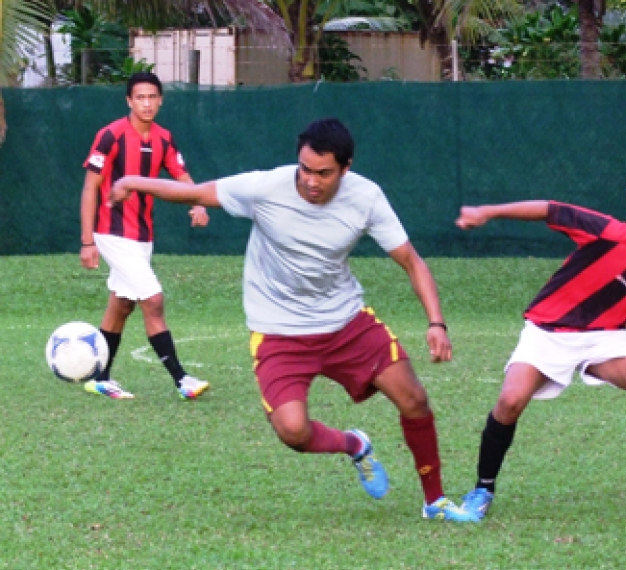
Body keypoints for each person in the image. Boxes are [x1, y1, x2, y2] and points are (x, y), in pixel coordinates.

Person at [107, 118, 476, 522]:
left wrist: (436, 322)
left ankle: (435, 501)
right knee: (293, 432)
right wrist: (133, 181)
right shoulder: (267, 187)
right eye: (305, 169)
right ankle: (354, 445)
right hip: (278, 332)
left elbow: (411, 261)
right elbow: (194, 192)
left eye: (324, 173)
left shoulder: (366, 197)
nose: (312, 182)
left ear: (346, 168)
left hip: (346, 323)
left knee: (414, 399)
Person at [455, 195, 626, 520]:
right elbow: (550, 210)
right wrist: (489, 209)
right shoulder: (611, 233)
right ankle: (482, 489)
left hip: (604, 336)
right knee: (510, 402)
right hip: (548, 329)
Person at [80, 72, 210, 400]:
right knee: (152, 300)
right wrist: (87, 241)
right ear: (129, 101)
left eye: (153, 97)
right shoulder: (109, 136)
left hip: (142, 236)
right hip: (111, 232)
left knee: (122, 304)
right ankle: (182, 380)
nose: (147, 103)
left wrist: (197, 202)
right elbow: (90, 188)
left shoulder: (164, 138)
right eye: (140, 98)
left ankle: (100, 377)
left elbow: (181, 175)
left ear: (161, 100)